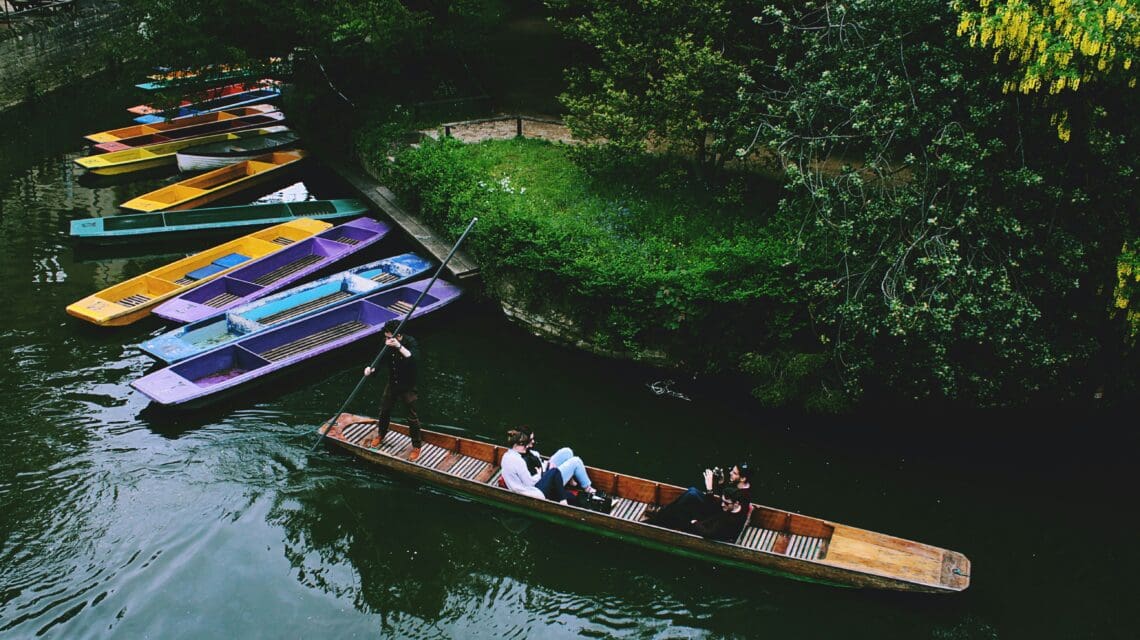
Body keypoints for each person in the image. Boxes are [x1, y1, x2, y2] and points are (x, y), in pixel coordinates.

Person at [363, 319, 423, 461]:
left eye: (391, 337)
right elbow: (379, 360)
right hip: (392, 383)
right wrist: (371, 369)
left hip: (407, 385)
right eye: (387, 337)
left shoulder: (410, 341)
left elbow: (414, 359)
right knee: (384, 410)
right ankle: (381, 434)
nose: (388, 340)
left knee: (411, 416)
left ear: (399, 336)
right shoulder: (386, 341)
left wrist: (399, 346)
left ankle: (416, 446)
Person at [641, 462, 752, 527]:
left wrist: (709, 488)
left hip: (714, 517)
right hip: (716, 509)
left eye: (734, 473)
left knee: (690, 497)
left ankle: (659, 517)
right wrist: (721, 482)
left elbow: (721, 511)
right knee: (692, 491)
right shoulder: (739, 486)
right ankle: (662, 513)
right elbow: (725, 496)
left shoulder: (742, 496)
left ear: (743, 478)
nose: (730, 473)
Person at [520, 428, 596, 495]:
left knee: (567, 452)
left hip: (545, 470)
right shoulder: (522, 461)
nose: (533, 441)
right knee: (576, 461)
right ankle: (588, 489)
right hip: (546, 482)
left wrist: (547, 464)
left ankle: (569, 479)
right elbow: (534, 480)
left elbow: (538, 464)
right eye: (531, 440)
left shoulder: (526, 451)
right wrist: (549, 471)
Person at [500, 429, 569, 504]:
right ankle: (563, 503)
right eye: (525, 445)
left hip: (523, 489)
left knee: (570, 496)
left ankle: (564, 499)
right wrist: (539, 475)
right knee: (555, 471)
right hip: (533, 493)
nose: (526, 448)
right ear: (519, 444)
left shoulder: (506, 456)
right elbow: (529, 483)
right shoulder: (519, 461)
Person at [685, 486, 749, 542]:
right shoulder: (740, 506)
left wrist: (695, 523)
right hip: (709, 520)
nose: (722, 505)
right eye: (722, 501)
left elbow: (708, 534)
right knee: (692, 491)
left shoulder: (728, 521)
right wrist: (710, 491)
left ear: (736, 503)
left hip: (706, 531)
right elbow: (713, 507)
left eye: (726, 503)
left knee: (685, 507)